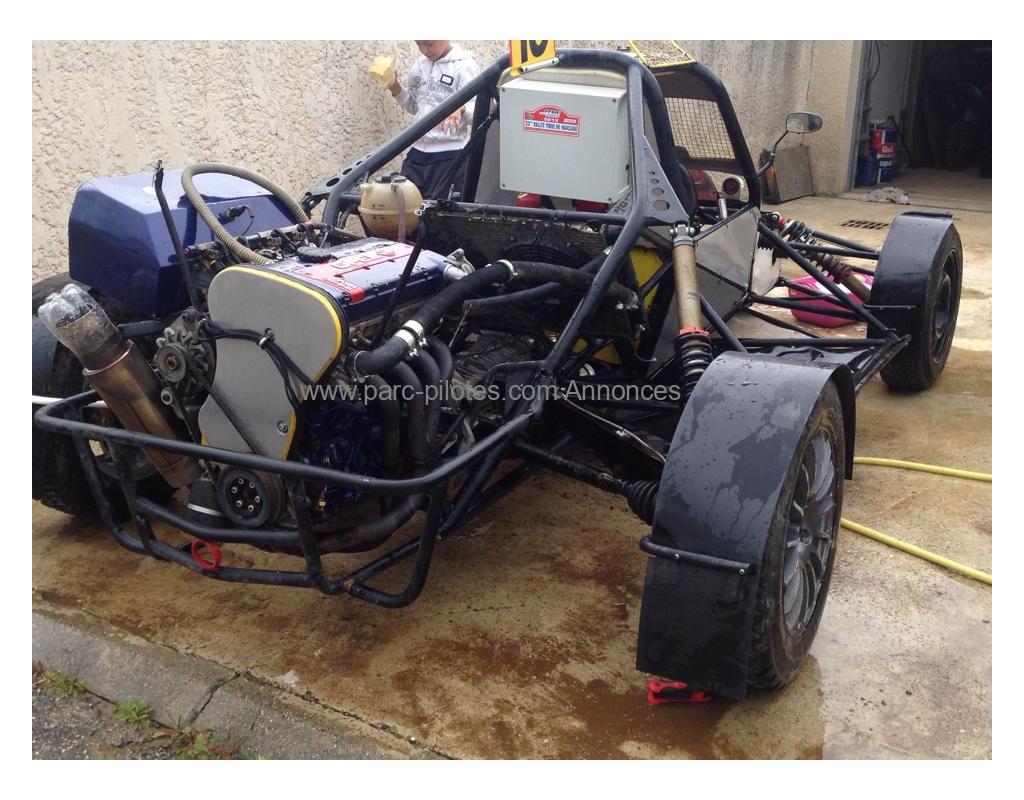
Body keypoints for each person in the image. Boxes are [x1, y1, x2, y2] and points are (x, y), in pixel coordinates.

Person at [369, 41, 481, 200]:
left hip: (449, 155)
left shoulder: (465, 66)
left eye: (429, 44)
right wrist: (394, 85)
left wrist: (461, 108)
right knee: (405, 208)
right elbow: (414, 106)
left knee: (441, 213)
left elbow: (478, 112)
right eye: (418, 44)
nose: (424, 50)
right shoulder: (418, 66)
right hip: (417, 155)